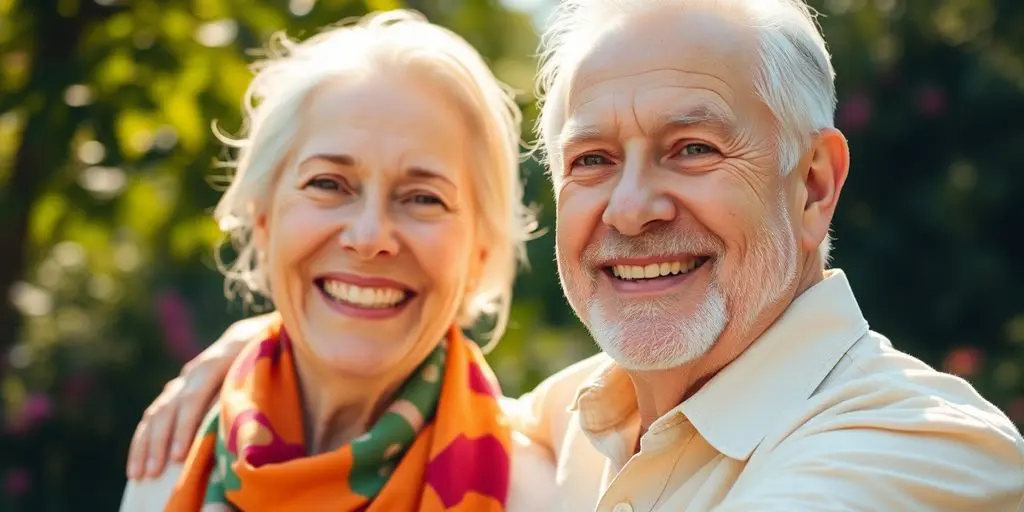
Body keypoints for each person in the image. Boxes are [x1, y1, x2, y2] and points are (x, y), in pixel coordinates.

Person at [130, 1, 1024, 510]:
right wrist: (274, 334)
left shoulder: (922, 452)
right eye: (592, 161)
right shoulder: (563, 424)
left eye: (693, 149)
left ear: (815, 185)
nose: (631, 210)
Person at [119, 10, 556, 511]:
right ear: (263, 221)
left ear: (479, 253)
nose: (370, 238)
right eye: (327, 184)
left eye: (423, 198)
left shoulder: (540, 494)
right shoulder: (171, 462)